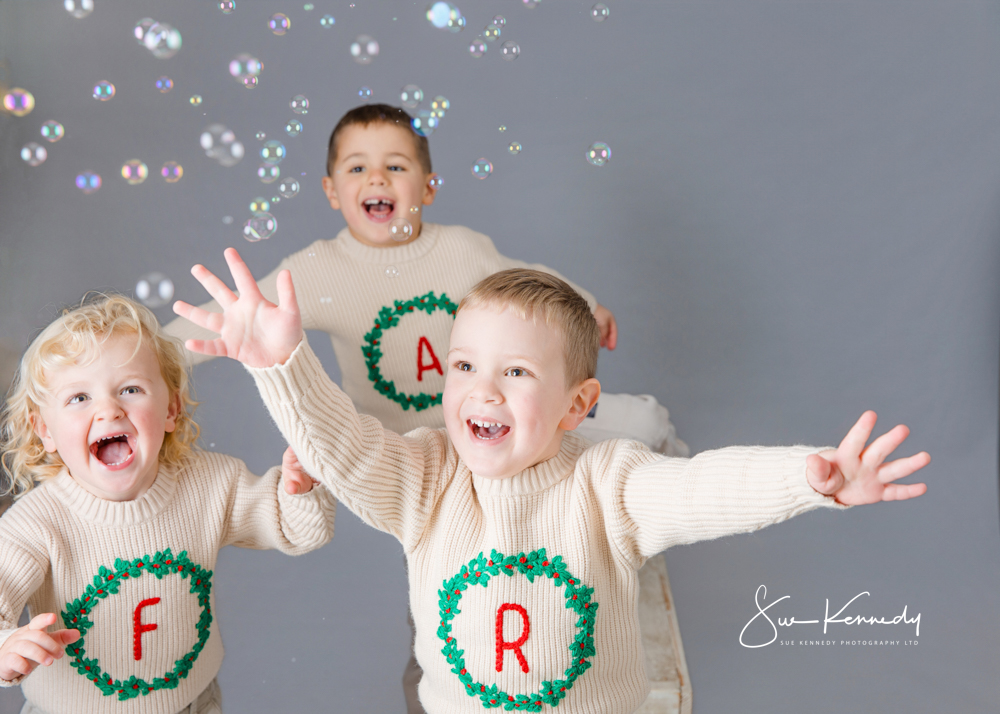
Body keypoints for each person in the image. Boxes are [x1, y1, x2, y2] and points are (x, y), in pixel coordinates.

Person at [173, 250, 930, 714]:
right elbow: (345, 449)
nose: (483, 391)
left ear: (578, 406)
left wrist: (807, 479)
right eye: (464, 366)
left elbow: (701, 488)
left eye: (517, 372)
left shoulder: (608, 484)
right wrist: (281, 365)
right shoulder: (427, 477)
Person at [165, 102, 687, 711]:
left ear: (429, 188)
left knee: (645, 423)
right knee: (454, 594)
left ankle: (652, 500)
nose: (377, 179)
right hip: (417, 466)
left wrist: (586, 305)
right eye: (357, 169)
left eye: (396, 165)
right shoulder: (316, 270)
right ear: (333, 193)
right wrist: (145, 357)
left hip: (510, 427)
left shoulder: (462, 252)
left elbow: (527, 277)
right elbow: (238, 320)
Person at [0, 295, 335, 714]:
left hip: (192, 704)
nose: (108, 409)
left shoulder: (211, 484)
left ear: (171, 409)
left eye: (130, 389)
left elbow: (299, 530)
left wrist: (299, 491)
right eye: (79, 398)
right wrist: (6, 646)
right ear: (44, 430)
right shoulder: (37, 523)